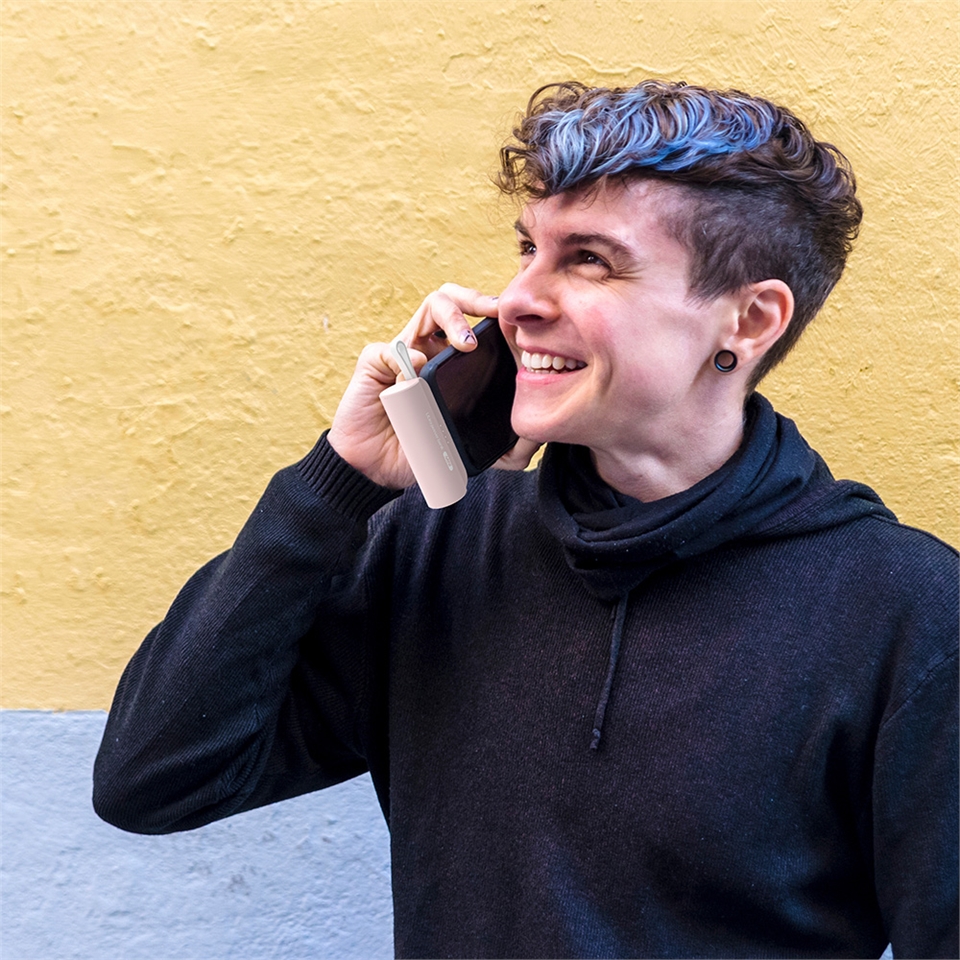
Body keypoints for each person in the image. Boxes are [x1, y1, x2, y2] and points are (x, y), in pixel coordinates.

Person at [93, 80, 958, 959]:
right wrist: (341, 483)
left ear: (749, 318)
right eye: (527, 250)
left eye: (590, 261)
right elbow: (151, 781)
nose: (516, 300)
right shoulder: (439, 543)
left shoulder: (905, 612)